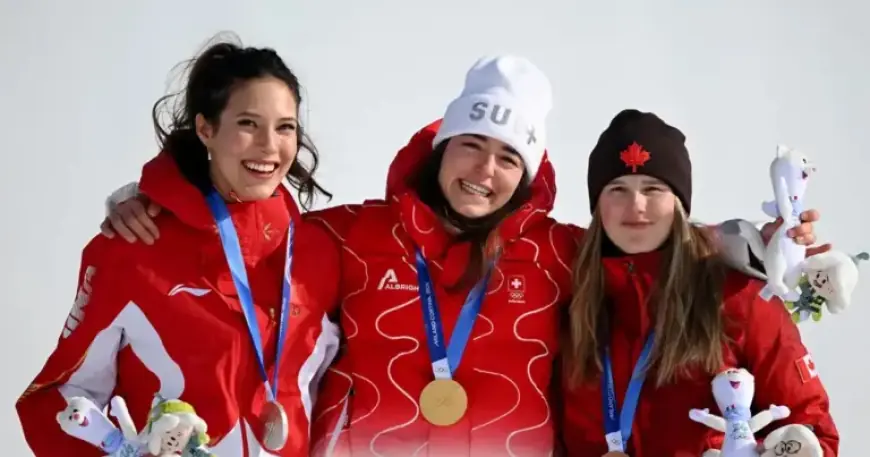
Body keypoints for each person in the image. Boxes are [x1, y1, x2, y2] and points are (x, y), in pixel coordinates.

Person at [97, 56, 825, 456]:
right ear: (440, 145)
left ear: (530, 172)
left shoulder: (557, 251)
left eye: (508, 156)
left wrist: (751, 245)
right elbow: (250, 227)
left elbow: (645, 244)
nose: (483, 170)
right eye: (470, 144)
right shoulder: (350, 233)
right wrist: (163, 192)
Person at [16, 38, 341, 457]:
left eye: (285, 127)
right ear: (206, 129)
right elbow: (61, 397)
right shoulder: (133, 249)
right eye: (247, 123)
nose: (268, 146)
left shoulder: (323, 253)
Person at [558, 109, 838, 456]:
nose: (636, 205)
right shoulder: (570, 296)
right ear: (597, 204)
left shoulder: (739, 297)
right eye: (617, 189)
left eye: (653, 188)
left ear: (679, 204)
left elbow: (813, 434)